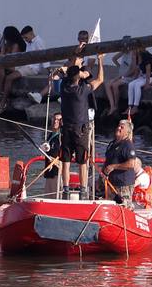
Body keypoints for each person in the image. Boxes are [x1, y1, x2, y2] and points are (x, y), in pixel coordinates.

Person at [59, 53, 105, 193]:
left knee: (65, 161)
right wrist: (100, 61)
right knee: (82, 161)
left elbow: (69, 74)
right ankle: (83, 189)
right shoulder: (82, 90)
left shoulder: (63, 87)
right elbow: (100, 79)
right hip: (80, 130)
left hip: (66, 129)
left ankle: (65, 188)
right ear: (79, 77)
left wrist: (76, 59)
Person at [101, 119, 141, 204]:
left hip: (123, 185)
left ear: (127, 132)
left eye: (122, 127)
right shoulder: (112, 144)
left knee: (124, 206)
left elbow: (131, 163)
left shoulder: (128, 145)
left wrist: (114, 166)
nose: (118, 128)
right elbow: (107, 161)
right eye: (118, 126)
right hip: (111, 184)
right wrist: (101, 177)